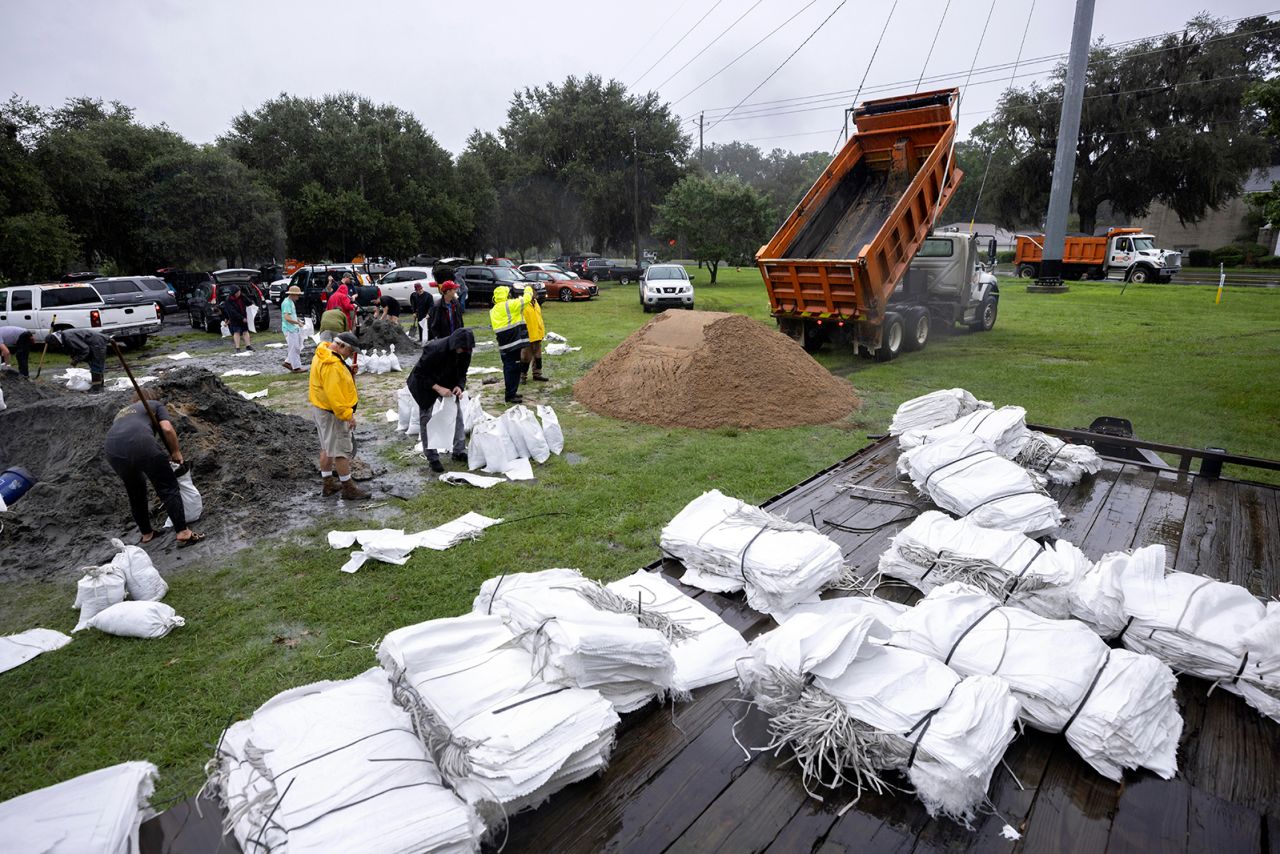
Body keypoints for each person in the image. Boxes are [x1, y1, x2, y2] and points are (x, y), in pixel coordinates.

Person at [104, 389, 204, 547]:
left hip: (112, 450)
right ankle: (183, 532)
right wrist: (175, 451)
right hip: (141, 443)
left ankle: (147, 534)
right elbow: (167, 428)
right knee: (167, 487)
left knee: (135, 491)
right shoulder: (155, 405)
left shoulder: (123, 412)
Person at [309, 331, 370, 500]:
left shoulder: (324, 354)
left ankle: (328, 484)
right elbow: (334, 395)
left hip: (321, 409)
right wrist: (347, 415)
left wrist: (348, 372)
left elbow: (331, 383)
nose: (351, 355)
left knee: (327, 448)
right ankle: (348, 488)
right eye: (350, 352)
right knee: (341, 451)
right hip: (332, 413)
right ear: (341, 346)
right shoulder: (333, 365)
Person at [407, 328, 475, 473]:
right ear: (454, 344)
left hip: (448, 381)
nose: (463, 351)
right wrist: (438, 388)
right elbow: (420, 373)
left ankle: (459, 451)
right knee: (427, 418)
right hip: (425, 384)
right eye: (461, 348)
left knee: (456, 414)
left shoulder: (466, 351)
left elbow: (463, 372)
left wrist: (459, 386)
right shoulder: (434, 349)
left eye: (466, 349)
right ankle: (432, 457)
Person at [488, 284, 537, 404]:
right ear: (506, 295)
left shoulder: (493, 310)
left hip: (504, 343)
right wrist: (528, 288)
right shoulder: (510, 305)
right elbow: (526, 299)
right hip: (513, 342)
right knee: (512, 368)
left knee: (509, 367)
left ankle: (512, 392)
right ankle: (510, 395)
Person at [47, 328, 110, 393]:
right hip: (93, 342)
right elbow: (75, 348)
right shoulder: (63, 337)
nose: (54, 347)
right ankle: (99, 386)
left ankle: (96, 388)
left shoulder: (68, 338)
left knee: (96, 364)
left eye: (53, 345)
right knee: (94, 364)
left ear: (55, 341)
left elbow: (84, 350)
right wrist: (75, 358)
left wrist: (76, 360)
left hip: (97, 342)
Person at [519, 286, 547, 385]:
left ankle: (537, 374)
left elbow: (539, 319)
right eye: (533, 292)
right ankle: (522, 376)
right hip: (528, 336)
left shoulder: (536, 304)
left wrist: (542, 332)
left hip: (538, 335)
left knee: (538, 356)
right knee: (525, 357)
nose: (535, 294)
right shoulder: (523, 305)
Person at [281, 285, 306, 372]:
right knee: (294, 347)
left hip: (293, 328)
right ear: (292, 294)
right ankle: (296, 367)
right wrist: (297, 322)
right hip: (289, 329)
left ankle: (288, 362)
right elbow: (287, 317)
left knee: (296, 346)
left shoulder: (290, 302)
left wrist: (297, 320)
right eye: (297, 295)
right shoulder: (287, 303)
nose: (298, 297)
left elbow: (291, 315)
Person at [222, 285, 253, 351]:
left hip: (243, 316)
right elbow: (232, 312)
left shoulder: (242, 296)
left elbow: (249, 303)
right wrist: (242, 318)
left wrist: (245, 298)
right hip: (235, 319)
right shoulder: (228, 300)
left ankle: (248, 346)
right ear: (234, 293)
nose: (240, 293)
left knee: (245, 331)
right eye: (238, 292)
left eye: (240, 291)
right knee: (237, 332)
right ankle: (237, 348)